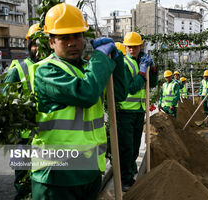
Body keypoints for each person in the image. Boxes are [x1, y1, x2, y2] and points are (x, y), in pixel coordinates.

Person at [29, 3, 128, 199]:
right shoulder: (46, 71)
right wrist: (100, 58)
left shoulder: (87, 68)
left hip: (88, 171)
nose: (72, 42)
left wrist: (117, 62)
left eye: (77, 36)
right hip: (57, 175)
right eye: (64, 38)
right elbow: (86, 94)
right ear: (51, 42)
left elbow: (119, 94)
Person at [117, 32, 158, 192]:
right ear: (125, 47)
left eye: (135, 46)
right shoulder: (124, 63)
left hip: (138, 111)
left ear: (141, 46)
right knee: (126, 147)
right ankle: (125, 180)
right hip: (125, 112)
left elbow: (152, 84)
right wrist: (142, 72)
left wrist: (152, 69)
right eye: (129, 46)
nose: (132, 49)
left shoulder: (142, 61)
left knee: (134, 145)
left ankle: (131, 170)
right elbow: (132, 88)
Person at [3, 23, 40, 200]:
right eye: (35, 43)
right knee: (24, 182)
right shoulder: (17, 69)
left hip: (46, 136)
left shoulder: (54, 68)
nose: (38, 48)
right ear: (29, 45)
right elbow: (6, 105)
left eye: (42, 43)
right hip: (23, 137)